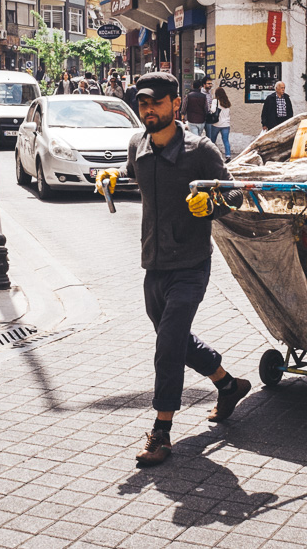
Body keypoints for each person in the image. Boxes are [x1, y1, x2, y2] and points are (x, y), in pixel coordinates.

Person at [95, 72, 249, 468]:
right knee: (175, 340)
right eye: (143, 103)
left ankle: (161, 431)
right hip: (153, 262)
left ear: (175, 104)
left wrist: (212, 205)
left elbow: (235, 193)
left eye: (156, 103)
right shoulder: (137, 144)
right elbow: (134, 174)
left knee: (167, 345)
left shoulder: (200, 150)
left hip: (191, 265)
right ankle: (228, 385)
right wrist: (112, 178)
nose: (148, 110)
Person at [209, 87, 232, 162]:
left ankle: (211, 155)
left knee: (212, 140)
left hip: (217, 124)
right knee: (226, 140)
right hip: (226, 124)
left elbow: (213, 110)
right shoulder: (227, 102)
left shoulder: (215, 101)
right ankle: (228, 156)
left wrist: (210, 106)